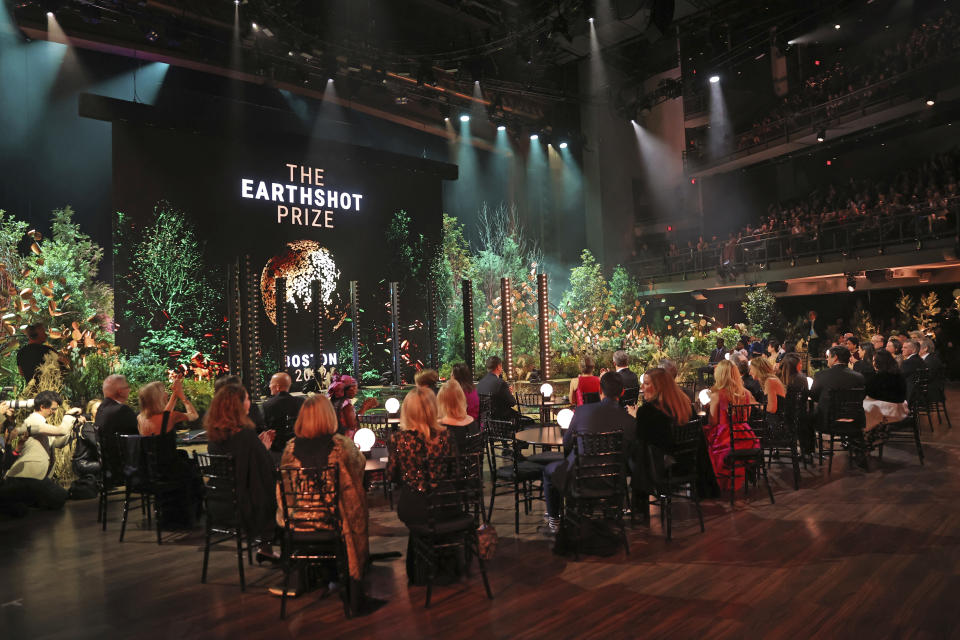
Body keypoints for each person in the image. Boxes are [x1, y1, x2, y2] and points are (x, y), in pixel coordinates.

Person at [275, 394, 368, 603]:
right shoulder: (341, 446)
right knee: (355, 509)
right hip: (333, 524)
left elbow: (284, 488)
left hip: (296, 523)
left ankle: (308, 572)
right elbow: (359, 469)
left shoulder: (290, 448)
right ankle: (348, 570)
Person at [542, 372, 635, 533]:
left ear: (600, 390)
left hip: (579, 477)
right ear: (622, 392)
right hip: (613, 481)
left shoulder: (582, 411)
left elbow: (567, 443)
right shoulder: (630, 422)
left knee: (548, 471)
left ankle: (554, 519)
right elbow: (632, 452)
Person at [387, 387, 455, 582]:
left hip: (414, 506)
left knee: (417, 518)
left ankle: (420, 568)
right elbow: (455, 472)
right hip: (444, 503)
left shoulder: (398, 440)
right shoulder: (446, 436)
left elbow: (391, 476)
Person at [205, 384, 277, 559]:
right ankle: (273, 546)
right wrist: (263, 448)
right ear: (239, 405)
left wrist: (257, 447)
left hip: (218, 502)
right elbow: (265, 469)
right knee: (278, 493)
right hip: (245, 507)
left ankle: (265, 547)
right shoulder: (245, 436)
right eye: (247, 399)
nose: (250, 403)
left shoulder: (214, 436)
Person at [1, 391, 79, 509]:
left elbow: (58, 443)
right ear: (42, 407)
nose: (54, 412)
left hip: (33, 476)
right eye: (52, 409)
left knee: (59, 496)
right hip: (26, 476)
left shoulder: (42, 422)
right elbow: (61, 431)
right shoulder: (34, 421)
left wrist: (73, 430)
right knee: (59, 497)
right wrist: (68, 416)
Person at [705, 360, 759, 492]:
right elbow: (746, 417)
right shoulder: (746, 393)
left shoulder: (717, 395)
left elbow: (713, 422)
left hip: (726, 438)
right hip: (746, 438)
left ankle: (712, 482)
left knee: (703, 441)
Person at [96, 374, 139, 485]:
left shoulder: (101, 409)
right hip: (125, 468)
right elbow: (139, 438)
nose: (129, 389)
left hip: (109, 467)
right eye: (127, 387)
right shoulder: (122, 410)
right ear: (120, 391)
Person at [810, 346, 865, 428]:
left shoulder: (821, 375)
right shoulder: (859, 376)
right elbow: (861, 397)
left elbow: (814, 396)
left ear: (835, 357)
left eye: (828, 357)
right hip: (854, 420)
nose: (827, 359)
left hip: (827, 421)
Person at [261, 372, 305, 459]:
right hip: (298, 450)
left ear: (277, 387)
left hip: (277, 452)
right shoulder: (301, 402)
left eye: (271, 383)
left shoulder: (267, 405)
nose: (269, 386)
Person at [864, 350, 907, 431]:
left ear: (879, 362)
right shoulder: (899, 375)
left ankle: (868, 435)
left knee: (864, 408)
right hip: (900, 407)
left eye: (874, 361)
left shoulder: (879, 377)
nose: (872, 363)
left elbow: (870, 392)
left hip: (889, 410)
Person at [327, 374, 378, 441]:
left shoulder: (335, 402)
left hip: (335, 438)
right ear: (351, 389)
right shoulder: (346, 405)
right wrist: (364, 407)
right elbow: (353, 425)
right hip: (345, 441)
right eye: (355, 388)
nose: (356, 391)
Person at [436, 379, 479, 452]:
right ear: (462, 398)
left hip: (450, 463)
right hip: (473, 462)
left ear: (441, 401)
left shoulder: (439, 427)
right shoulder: (472, 421)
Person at [750, 356, 786, 421]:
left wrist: (754, 403)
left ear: (758, 369)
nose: (750, 372)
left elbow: (771, 409)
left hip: (777, 424)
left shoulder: (770, 381)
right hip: (774, 422)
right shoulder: (768, 381)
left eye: (751, 369)